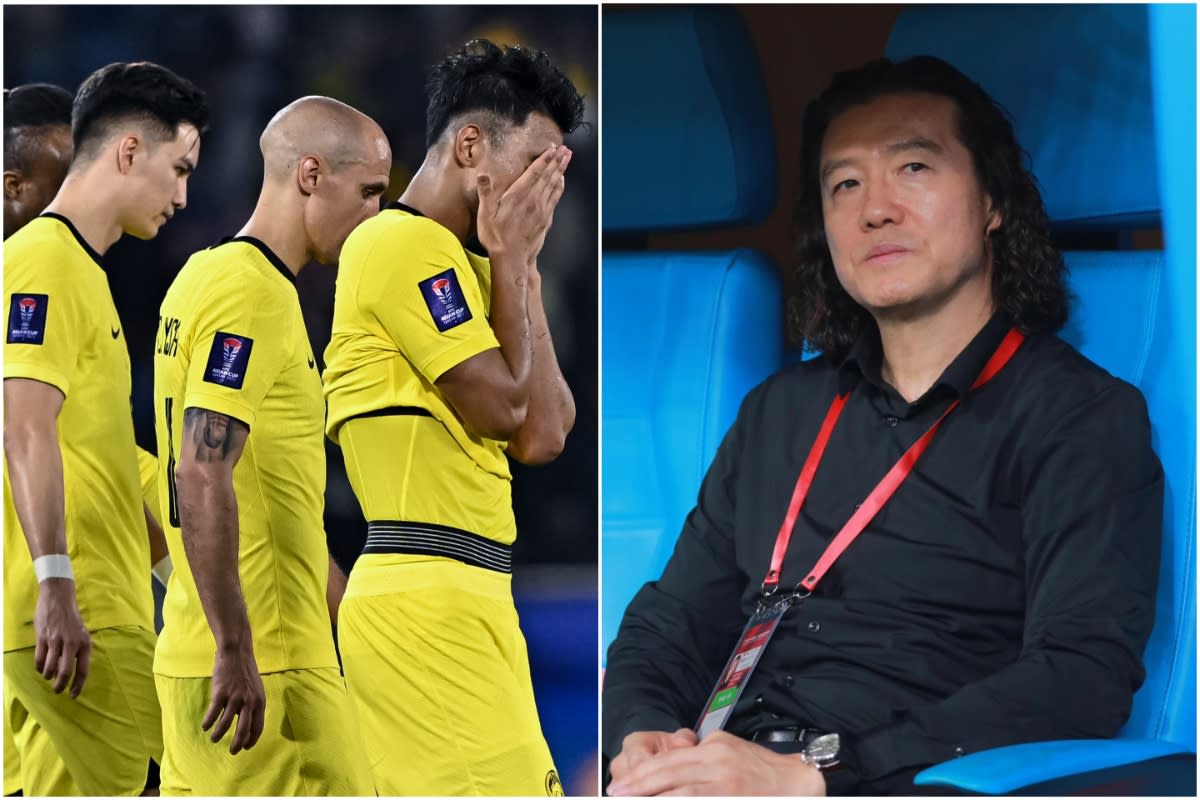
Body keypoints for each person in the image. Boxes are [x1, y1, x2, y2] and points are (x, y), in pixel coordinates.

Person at [602, 56, 1162, 797]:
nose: (875, 209)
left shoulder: (1079, 417)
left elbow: (1081, 675)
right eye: (845, 184)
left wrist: (815, 774)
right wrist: (641, 737)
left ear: (993, 201)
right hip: (727, 765)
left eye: (914, 169)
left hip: (908, 776)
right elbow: (667, 626)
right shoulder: (780, 411)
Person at [322, 39, 584, 795]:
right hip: (420, 597)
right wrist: (510, 263)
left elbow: (545, 433)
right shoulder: (394, 242)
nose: (545, 186)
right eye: (536, 159)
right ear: (471, 144)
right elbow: (503, 406)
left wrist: (523, 270)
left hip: (477, 593)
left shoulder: (476, 265)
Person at [151, 95, 387, 796]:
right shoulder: (250, 294)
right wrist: (236, 647)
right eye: (369, 192)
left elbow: (274, 502)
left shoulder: (202, 277)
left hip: (205, 660)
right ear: (310, 174)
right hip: (265, 672)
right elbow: (200, 471)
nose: (374, 216)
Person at [3, 61, 208, 796]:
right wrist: (57, 584)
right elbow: (23, 427)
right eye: (178, 169)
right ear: (128, 152)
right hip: (81, 613)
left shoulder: (77, 271)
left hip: (85, 606)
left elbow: (101, 464)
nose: (183, 196)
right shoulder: (43, 265)